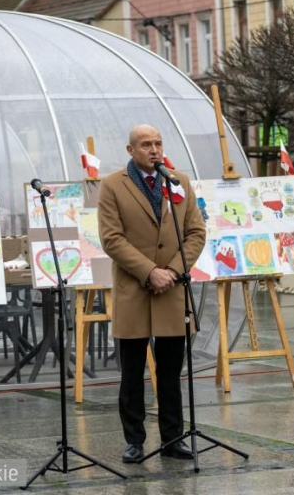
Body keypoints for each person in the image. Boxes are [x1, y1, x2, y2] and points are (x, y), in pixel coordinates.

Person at [98, 124, 206, 463]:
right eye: (146, 144)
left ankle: (173, 439)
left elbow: (196, 233)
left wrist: (171, 271)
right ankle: (134, 440)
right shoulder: (113, 185)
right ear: (131, 150)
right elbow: (112, 239)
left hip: (172, 291)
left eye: (158, 143)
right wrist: (149, 272)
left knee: (171, 372)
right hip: (134, 290)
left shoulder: (178, 181)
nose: (154, 149)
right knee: (132, 374)